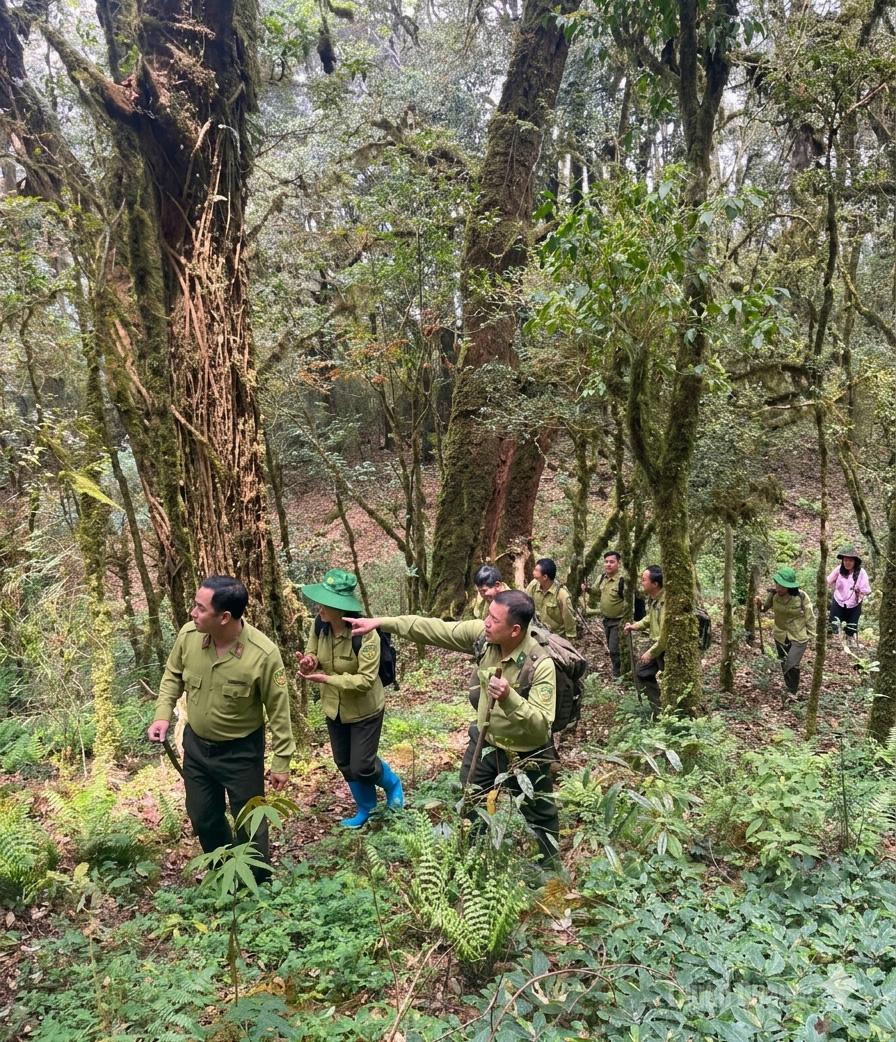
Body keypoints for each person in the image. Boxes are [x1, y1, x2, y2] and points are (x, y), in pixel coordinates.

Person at [349, 591, 560, 863]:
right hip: (485, 742)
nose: (486, 622)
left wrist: (510, 699)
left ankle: (550, 871)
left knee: (540, 815)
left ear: (515, 629)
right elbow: (435, 629)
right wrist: (381, 623)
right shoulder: (484, 637)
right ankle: (472, 861)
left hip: (526, 754)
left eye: (494, 619)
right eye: (487, 615)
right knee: (470, 802)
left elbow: (542, 726)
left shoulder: (539, 664)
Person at [147, 576, 294, 879]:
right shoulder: (189, 637)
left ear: (224, 617)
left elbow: (279, 710)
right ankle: (225, 873)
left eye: (200, 609)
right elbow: (172, 675)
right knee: (203, 816)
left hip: (241, 751)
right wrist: (162, 714)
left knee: (249, 820)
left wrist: (282, 761)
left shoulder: (263, 655)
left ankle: (257, 880)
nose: (192, 613)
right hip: (197, 747)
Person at [297, 568, 403, 829]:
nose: (319, 607)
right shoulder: (319, 625)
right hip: (334, 709)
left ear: (340, 606)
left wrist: (328, 679)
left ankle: (393, 785)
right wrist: (311, 661)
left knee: (363, 765)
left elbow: (366, 681)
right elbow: (313, 651)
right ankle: (366, 807)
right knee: (344, 762)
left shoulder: (366, 634)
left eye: (326, 603)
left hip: (365, 709)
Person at [461, 565, 510, 783]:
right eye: (480, 591)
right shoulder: (491, 604)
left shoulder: (512, 602)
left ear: (498, 586)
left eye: (485, 591)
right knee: (475, 692)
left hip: (510, 659)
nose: (483, 595)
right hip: (489, 656)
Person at [755, 566, 816, 697]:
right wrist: (759, 604)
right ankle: (789, 689)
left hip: (799, 636)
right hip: (780, 635)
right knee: (783, 663)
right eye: (777, 584)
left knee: (792, 664)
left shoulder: (801, 596)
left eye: (782, 586)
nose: (778, 588)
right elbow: (763, 609)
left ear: (789, 587)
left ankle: (792, 691)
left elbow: (809, 616)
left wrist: (812, 635)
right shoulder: (773, 595)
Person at [623, 565, 665, 716]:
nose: (642, 582)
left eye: (644, 580)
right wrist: (634, 626)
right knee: (642, 672)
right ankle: (659, 710)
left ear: (655, 584)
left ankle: (671, 715)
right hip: (657, 647)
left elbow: (665, 636)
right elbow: (649, 618)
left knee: (669, 682)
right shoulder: (655, 600)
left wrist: (650, 653)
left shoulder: (666, 603)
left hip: (664, 649)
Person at [585, 551, 627, 678]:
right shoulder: (602, 578)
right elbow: (597, 594)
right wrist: (587, 589)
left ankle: (618, 675)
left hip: (619, 621)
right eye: (606, 561)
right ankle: (620, 671)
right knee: (611, 647)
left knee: (615, 649)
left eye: (612, 562)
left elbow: (630, 601)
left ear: (618, 563)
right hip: (606, 620)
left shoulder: (622, 581)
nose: (608, 564)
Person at [827, 544, 871, 641]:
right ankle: (835, 644)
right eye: (845, 560)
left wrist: (858, 590)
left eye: (850, 560)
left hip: (854, 604)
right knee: (834, 625)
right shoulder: (839, 569)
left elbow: (866, 590)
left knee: (851, 628)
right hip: (838, 601)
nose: (847, 563)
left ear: (855, 561)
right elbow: (828, 581)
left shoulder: (861, 573)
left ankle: (849, 645)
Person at [526, 558, 576, 639]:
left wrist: (570, 641)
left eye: (536, 570)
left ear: (545, 577)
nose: (533, 573)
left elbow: (569, 620)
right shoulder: (534, 585)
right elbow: (524, 602)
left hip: (556, 637)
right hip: (537, 633)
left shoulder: (562, 595)